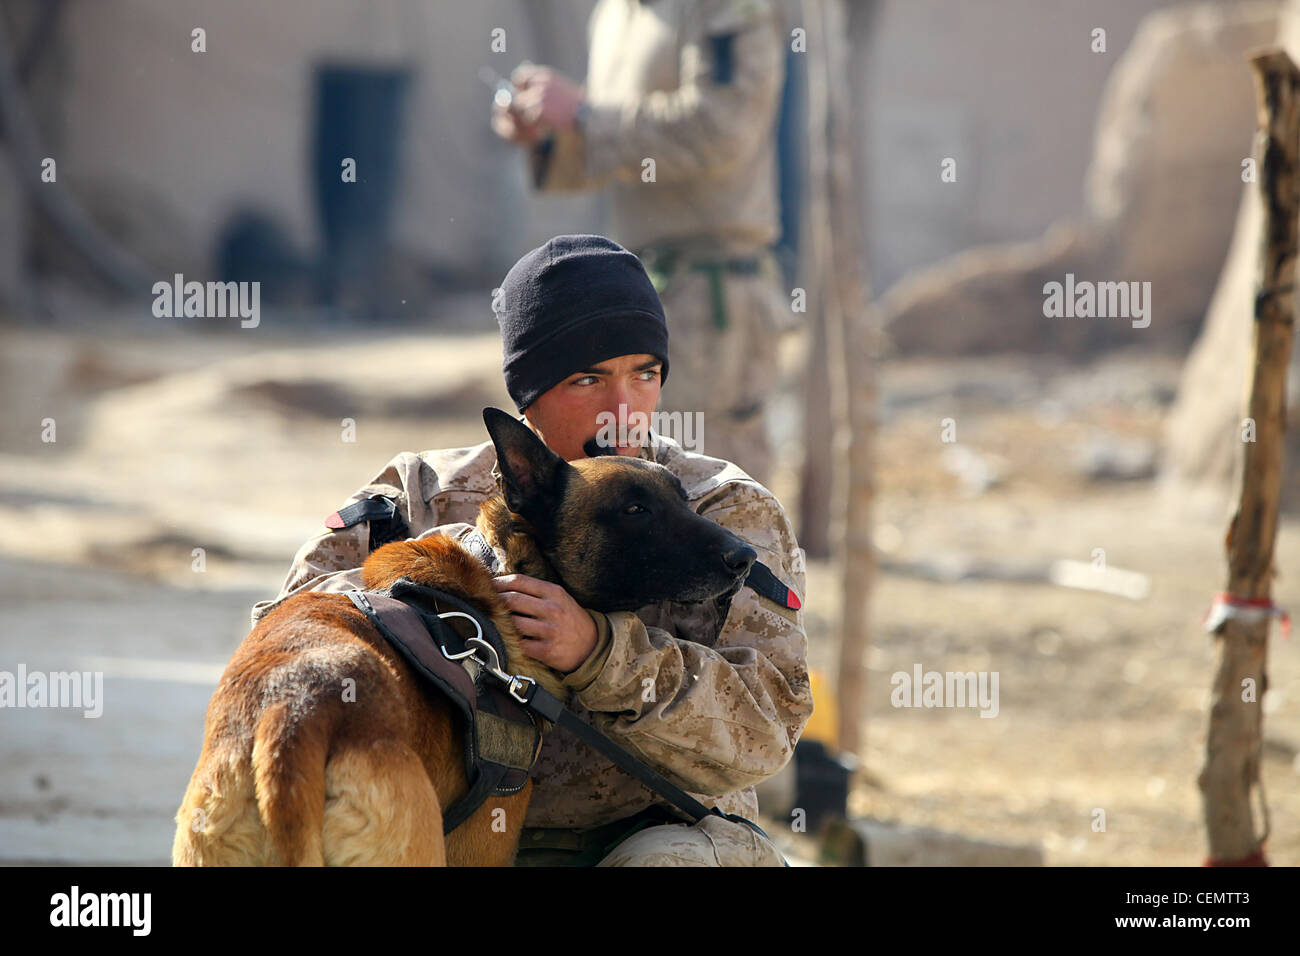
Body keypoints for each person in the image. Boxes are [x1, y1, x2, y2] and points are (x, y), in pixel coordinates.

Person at [250, 235, 811, 866]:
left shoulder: (722, 511)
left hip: (655, 832)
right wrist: (446, 594)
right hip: (438, 831)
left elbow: (766, 730)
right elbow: (282, 642)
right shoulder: (420, 498)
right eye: (588, 380)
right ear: (528, 395)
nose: (623, 411)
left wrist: (602, 656)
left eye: (645, 374)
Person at [491, 0, 791, 486]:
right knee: (630, 482)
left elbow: (722, 130)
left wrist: (585, 115)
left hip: (708, 293)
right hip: (636, 289)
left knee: (710, 482)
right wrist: (550, 133)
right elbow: (617, 149)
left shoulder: (725, 8)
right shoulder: (614, 12)